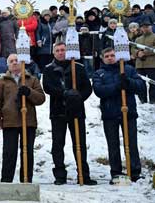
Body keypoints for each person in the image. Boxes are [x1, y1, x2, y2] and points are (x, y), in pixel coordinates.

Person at [42, 42, 97, 185]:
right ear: (54, 53)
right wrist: (65, 94)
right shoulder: (48, 69)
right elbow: (47, 87)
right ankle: (60, 175)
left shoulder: (78, 68)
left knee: (80, 143)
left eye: (63, 50)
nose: (61, 53)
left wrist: (78, 97)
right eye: (58, 50)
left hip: (76, 111)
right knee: (58, 144)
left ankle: (84, 174)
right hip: (58, 111)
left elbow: (87, 88)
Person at [92, 47, 145, 183]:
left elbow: (141, 86)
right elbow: (99, 90)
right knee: (113, 144)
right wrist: (117, 86)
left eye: (112, 55)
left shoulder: (128, 70)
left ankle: (134, 171)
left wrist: (128, 82)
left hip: (128, 112)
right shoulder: (99, 73)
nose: (110, 58)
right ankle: (116, 172)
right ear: (103, 58)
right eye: (107, 56)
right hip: (110, 113)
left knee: (132, 143)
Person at [0, 53, 45, 183]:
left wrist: (29, 92)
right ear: (8, 65)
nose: (14, 63)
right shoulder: (1, 82)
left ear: (22, 63)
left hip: (28, 121)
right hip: (10, 122)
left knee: (27, 152)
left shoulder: (31, 80)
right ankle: (6, 180)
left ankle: (26, 179)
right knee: (9, 152)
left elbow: (41, 98)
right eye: (11, 61)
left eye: (17, 60)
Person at [132, 18, 155, 104]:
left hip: (152, 64)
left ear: (151, 27)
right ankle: (142, 100)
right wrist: (138, 53)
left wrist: (144, 52)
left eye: (147, 26)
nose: (145, 28)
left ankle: (153, 100)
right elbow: (133, 49)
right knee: (140, 83)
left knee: (153, 83)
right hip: (140, 64)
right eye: (143, 27)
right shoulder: (138, 39)